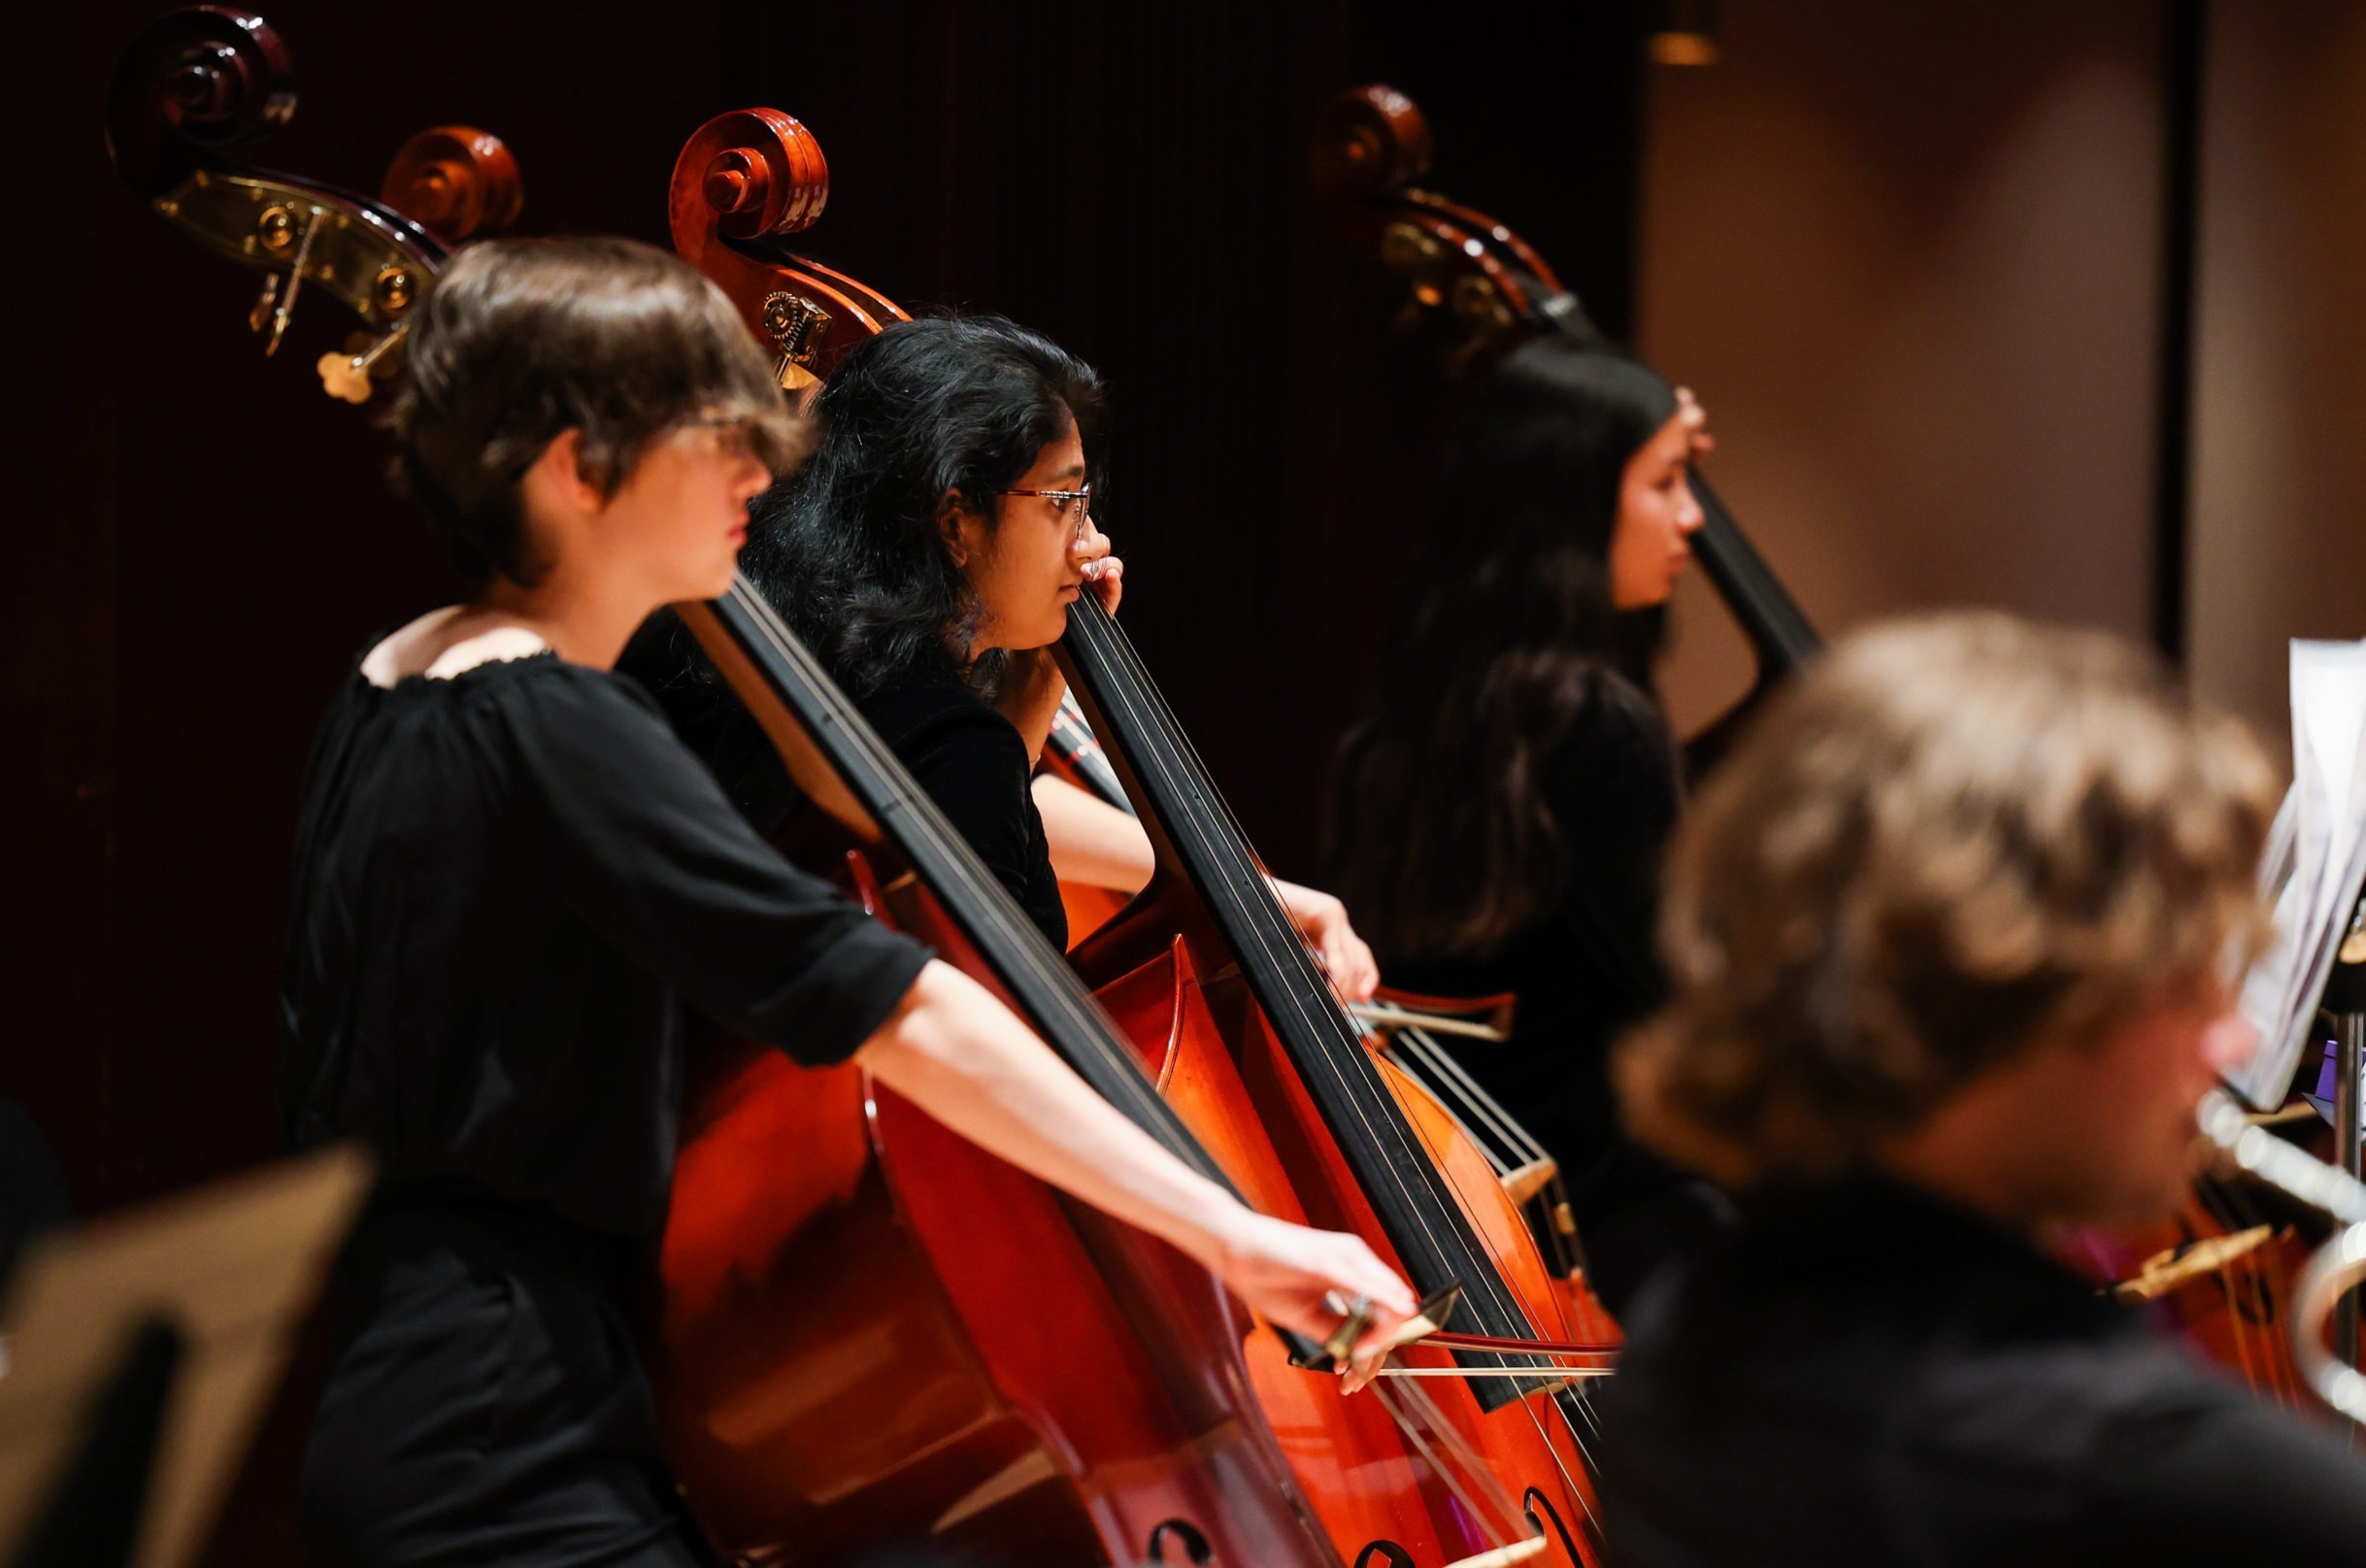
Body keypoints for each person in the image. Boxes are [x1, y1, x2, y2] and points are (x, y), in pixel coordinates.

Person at [278, 238, 1416, 1568]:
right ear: (573, 471)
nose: (763, 475)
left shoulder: (409, 675)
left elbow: (881, 815)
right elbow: (895, 998)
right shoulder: (551, 721)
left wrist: (1236, 880)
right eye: (717, 441)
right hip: (504, 1441)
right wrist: (1232, 1230)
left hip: (451, 1388)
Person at [1599, 611, 2366, 1566]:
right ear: (2011, 986)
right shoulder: (2163, 1478)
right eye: (2187, 976)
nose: (2236, 1032)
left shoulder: (1670, 1348)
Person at [623, 314, 1379, 996]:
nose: (1090, 545)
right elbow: (1012, 1002)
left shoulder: (732, 624)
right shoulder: (948, 735)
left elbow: (950, 824)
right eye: (1062, 502)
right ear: (955, 522)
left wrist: (1044, 672)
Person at [1324, 334, 1716, 1307]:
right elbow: (1689, 1003)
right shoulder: (1597, 721)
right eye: (1665, 481)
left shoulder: (1415, 717)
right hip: (1617, 1231)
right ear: (1580, 496)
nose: (1692, 516)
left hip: (1465, 1217)